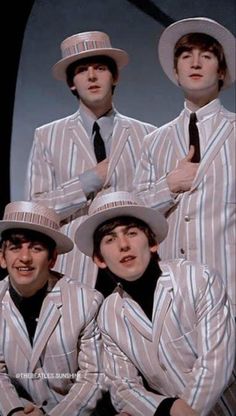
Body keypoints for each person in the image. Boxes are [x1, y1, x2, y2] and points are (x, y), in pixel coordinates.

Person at [75, 191, 236, 416]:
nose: (123, 245)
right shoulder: (108, 314)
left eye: (131, 233)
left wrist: (183, 411)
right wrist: (165, 409)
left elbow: (216, 363)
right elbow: (123, 388)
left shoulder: (198, 278)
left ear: (152, 243)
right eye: (110, 239)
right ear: (99, 259)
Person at [25, 30, 156, 295]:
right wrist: (88, 181)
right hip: (76, 267)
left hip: (136, 266)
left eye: (100, 68)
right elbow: (38, 211)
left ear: (114, 76)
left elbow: (154, 205)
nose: (92, 76)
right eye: (82, 70)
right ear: (72, 82)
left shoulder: (148, 134)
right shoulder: (47, 136)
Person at [133, 17, 236, 314]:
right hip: (171, 292)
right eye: (186, 56)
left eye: (206, 56)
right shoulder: (154, 141)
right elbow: (135, 216)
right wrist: (169, 186)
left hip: (229, 288)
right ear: (176, 72)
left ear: (221, 71)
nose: (195, 63)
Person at [0, 200, 106, 416]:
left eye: (36, 248)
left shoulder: (86, 302)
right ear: (2, 257)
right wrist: (14, 410)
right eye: (15, 248)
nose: (25, 258)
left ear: (52, 259)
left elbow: (93, 376)